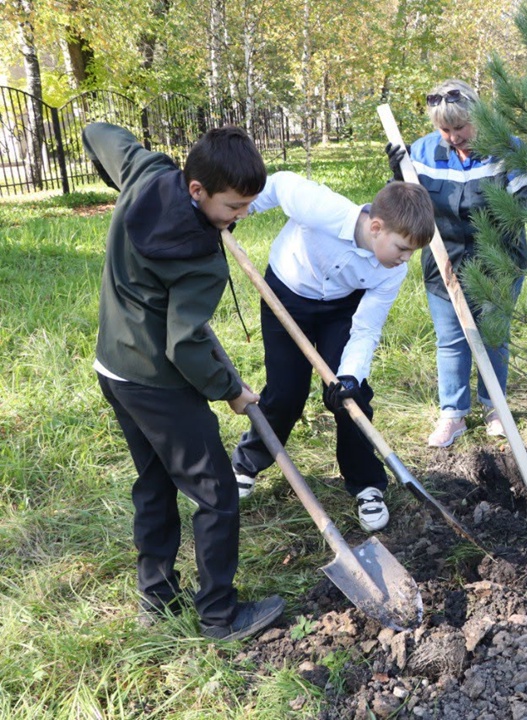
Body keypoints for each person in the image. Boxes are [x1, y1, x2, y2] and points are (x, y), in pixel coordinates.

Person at [84, 121, 284, 641]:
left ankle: (157, 597)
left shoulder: (147, 172)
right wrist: (231, 391)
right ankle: (219, 615)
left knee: (153, 481)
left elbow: (97, 131)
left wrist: (121, 188)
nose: (240, 218)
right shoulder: (198, 257)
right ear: (196, 189)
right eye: (234, 207)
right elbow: (185, 345)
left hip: (112, 366)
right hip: (158, 383)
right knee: (216, 493)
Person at [230, 173, 435, 532]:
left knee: (351, 399)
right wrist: (235, 216)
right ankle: (246, 464)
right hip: (286, 295)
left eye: (412, 252)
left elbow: (366, 328)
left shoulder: (391, 272)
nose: (406, 259)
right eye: (403, 248)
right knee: (285, 392)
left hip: (340, 309)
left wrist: (350, 375)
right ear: (376, 227)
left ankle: (367, 485)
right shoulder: (322, 208)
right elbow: (278, 184)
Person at [385, 79, 527, 448]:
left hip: (499, 261)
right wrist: (397, 176)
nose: (452, 136)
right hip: (443, 260)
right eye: (444, 129)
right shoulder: (421, 151)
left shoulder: (507, 150)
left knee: (493, 337)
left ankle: (495, 407)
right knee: (450, 339)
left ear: (477, 118)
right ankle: (453, 414)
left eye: (460, 127)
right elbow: (406, 203)